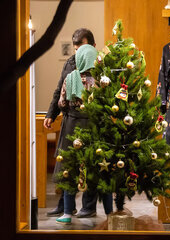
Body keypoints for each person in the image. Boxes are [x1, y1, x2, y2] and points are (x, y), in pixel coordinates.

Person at [45, 28, 101, 218]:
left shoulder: (101, 66)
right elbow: (59, 89)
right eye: (76, 48)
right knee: (67, 163)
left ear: (93, 46)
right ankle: (65, 206)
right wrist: (50, 115)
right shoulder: (70, 63)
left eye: (82, 47)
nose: (78, 53)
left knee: (90, 163)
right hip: (70, 120)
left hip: (92, 121)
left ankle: (89, 206)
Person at [55, 44, 113, 224]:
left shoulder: (70, 77)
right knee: (101, 169)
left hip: (73, 125)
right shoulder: (101, 79)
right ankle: (110, 213)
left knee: (70, 169)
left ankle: (66, 213)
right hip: (95, 126)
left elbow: (62, 103)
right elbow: (109, 102)